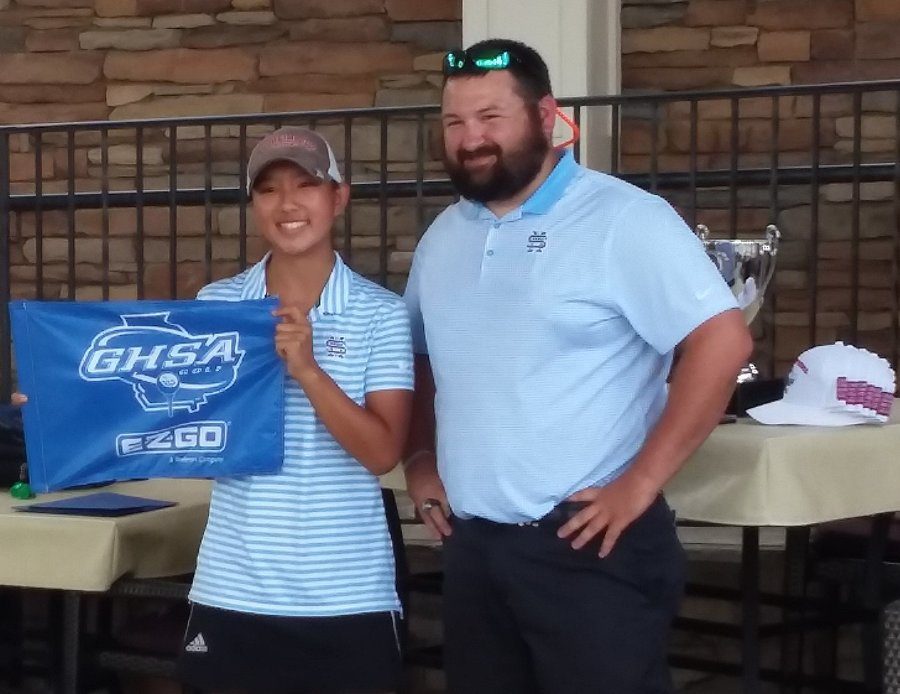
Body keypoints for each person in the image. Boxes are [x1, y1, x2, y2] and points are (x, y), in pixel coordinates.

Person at [402, 39, 753, 693]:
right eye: (454, 122)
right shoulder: (444, 236)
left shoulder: (624, 219)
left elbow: (723, 342)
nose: (470, 138)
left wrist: (641, 483)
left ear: (545, 117)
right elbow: (419, 354)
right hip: (476, 549)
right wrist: (419, 456)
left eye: (490, 117)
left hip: (590, 547)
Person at [176, 126, 414, 693]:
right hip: (231, 586)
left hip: (347, 595)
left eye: (306, 184)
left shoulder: (381, 314)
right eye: (268, 190)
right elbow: (183, 428)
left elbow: (381, 452)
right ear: (254, 204)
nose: (287, 204)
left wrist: (307, 370)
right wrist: (70, 405)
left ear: (339, 196)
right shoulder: (217, 305)